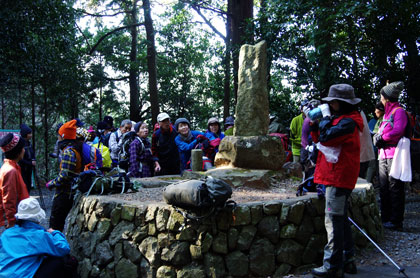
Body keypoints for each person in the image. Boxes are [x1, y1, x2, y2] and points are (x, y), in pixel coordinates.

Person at [310, 84, 363, 278]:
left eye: (332, 102)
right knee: (340, 219)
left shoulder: (349, 122)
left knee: (332, 220)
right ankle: (347, 260)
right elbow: (320, 138)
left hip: (339, 176)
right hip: (337, 175)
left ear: (341, 103)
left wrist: (324, 118)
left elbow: (327, 137)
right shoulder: (342, 120)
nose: (329, 105)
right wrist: (317, 123)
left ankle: (332, 265)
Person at [0, 197, 76, 278]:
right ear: (38, 218)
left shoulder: (6, 234)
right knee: (61, 260)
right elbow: (64, 248)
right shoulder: (39, 235)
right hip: (23, 275)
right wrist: (55, 232)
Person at [374, 81, 408, 231]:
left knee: (395, 188)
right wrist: (377, 137)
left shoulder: (399, 111)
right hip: (383, 155)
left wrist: (382, 138)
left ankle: (396, 221)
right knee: (384, 187)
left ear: (387, 98)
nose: (380, 99)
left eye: (382, 97)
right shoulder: (387, 113)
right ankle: (385, 217)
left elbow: (398, 130)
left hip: (395, 154)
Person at [46, 120, 83, 232]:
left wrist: (51, 183)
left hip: (65, 193)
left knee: (55, 223)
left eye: (59, 135)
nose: (58, 138)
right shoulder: (75, 149)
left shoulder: (68, 152)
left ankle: (55, 246)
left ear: (63, 136)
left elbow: (65, 175)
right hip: (69, 191)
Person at [0, 133, 29, 229]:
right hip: (14, 218)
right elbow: (9, 198)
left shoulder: (13, 167)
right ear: (18, 152)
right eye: (23, 148)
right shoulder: (10, 171)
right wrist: (11, 221)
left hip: (17, 215)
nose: (24, 150)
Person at [18, 124, 36, 193]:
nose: (31, 135)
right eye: (29, 133)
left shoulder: (29, 143)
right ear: (25, 134)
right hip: (23, 168)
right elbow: (20, 159)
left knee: (28, 184)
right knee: (24, 185)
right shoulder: (21, 144)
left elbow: (32, 153)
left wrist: (34, 159)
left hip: (29, 168)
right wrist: (30, 163)